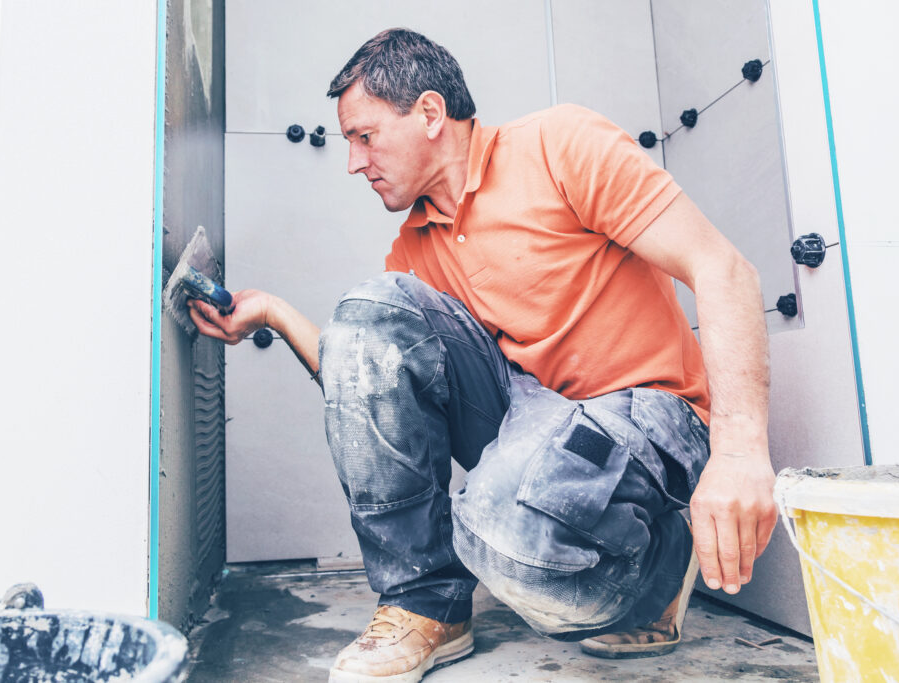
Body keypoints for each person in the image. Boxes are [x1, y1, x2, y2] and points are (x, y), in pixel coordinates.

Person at [189, 28, 777, 683]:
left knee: (503, 532)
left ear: (431, 113)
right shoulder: (415, 251)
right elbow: (362, 391)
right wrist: (270, 311)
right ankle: (425, 606)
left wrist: (741, 451)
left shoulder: (560, 144)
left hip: (649, 414)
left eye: (363, 136)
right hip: (539, 420)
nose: (354, 162)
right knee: (371, 314)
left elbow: (723, 268)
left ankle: (657, 554)